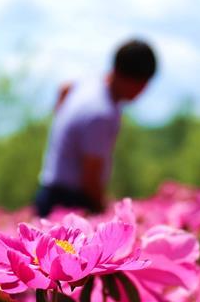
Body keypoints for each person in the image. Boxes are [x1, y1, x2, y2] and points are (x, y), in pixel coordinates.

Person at [34, 39, 157, 217]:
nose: (143, 92)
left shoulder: (88, 85)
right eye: (143, 85)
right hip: (69, 200)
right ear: (135, 82)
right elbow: (90, 179)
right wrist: (106, 211)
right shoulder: (102, 113)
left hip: (48, 190)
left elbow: (64, 88)